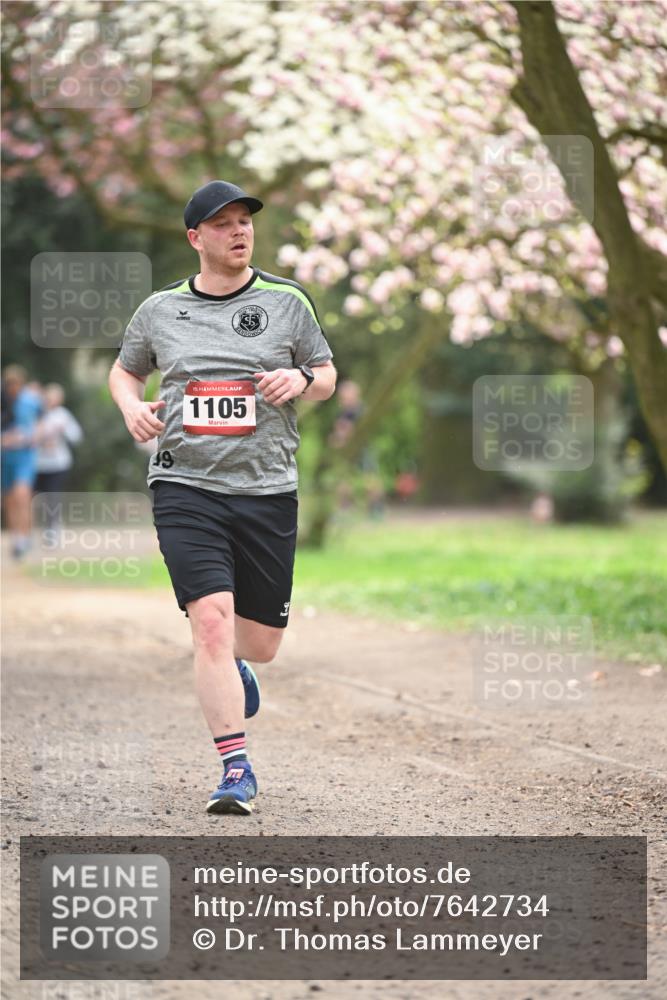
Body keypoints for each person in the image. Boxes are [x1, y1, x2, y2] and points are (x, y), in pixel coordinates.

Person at [109, 180, 336, 815]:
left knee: (257, 642)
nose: (239, 231)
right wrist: (131, 405)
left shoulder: (287, 303)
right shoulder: (159, 311)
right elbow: (126, 368)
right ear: (195, 238)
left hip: (266, 487)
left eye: (245, 221)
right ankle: (236, 768)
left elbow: (326, 373)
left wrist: (302, 378)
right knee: (210, 622)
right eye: (223, 223)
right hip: (184, 484)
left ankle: (242, 668)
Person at [1, 365, 44, 559]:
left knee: (22, 495)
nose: (13, 389)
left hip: (25, 455)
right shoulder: (3, 400)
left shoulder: (32, 401)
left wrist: (30, 436)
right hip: (5, 456)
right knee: (9, 500)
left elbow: (41, 423)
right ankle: (16, 538)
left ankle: (25, 537)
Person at [34, 384, 84, 531]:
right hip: (38, 463)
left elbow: (77, 436)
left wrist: (65, 431)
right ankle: (39, 525)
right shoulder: (38, 414)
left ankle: (52, 527)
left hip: (58, 463)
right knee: (38, 497)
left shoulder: (63, 415)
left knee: (52, 494)